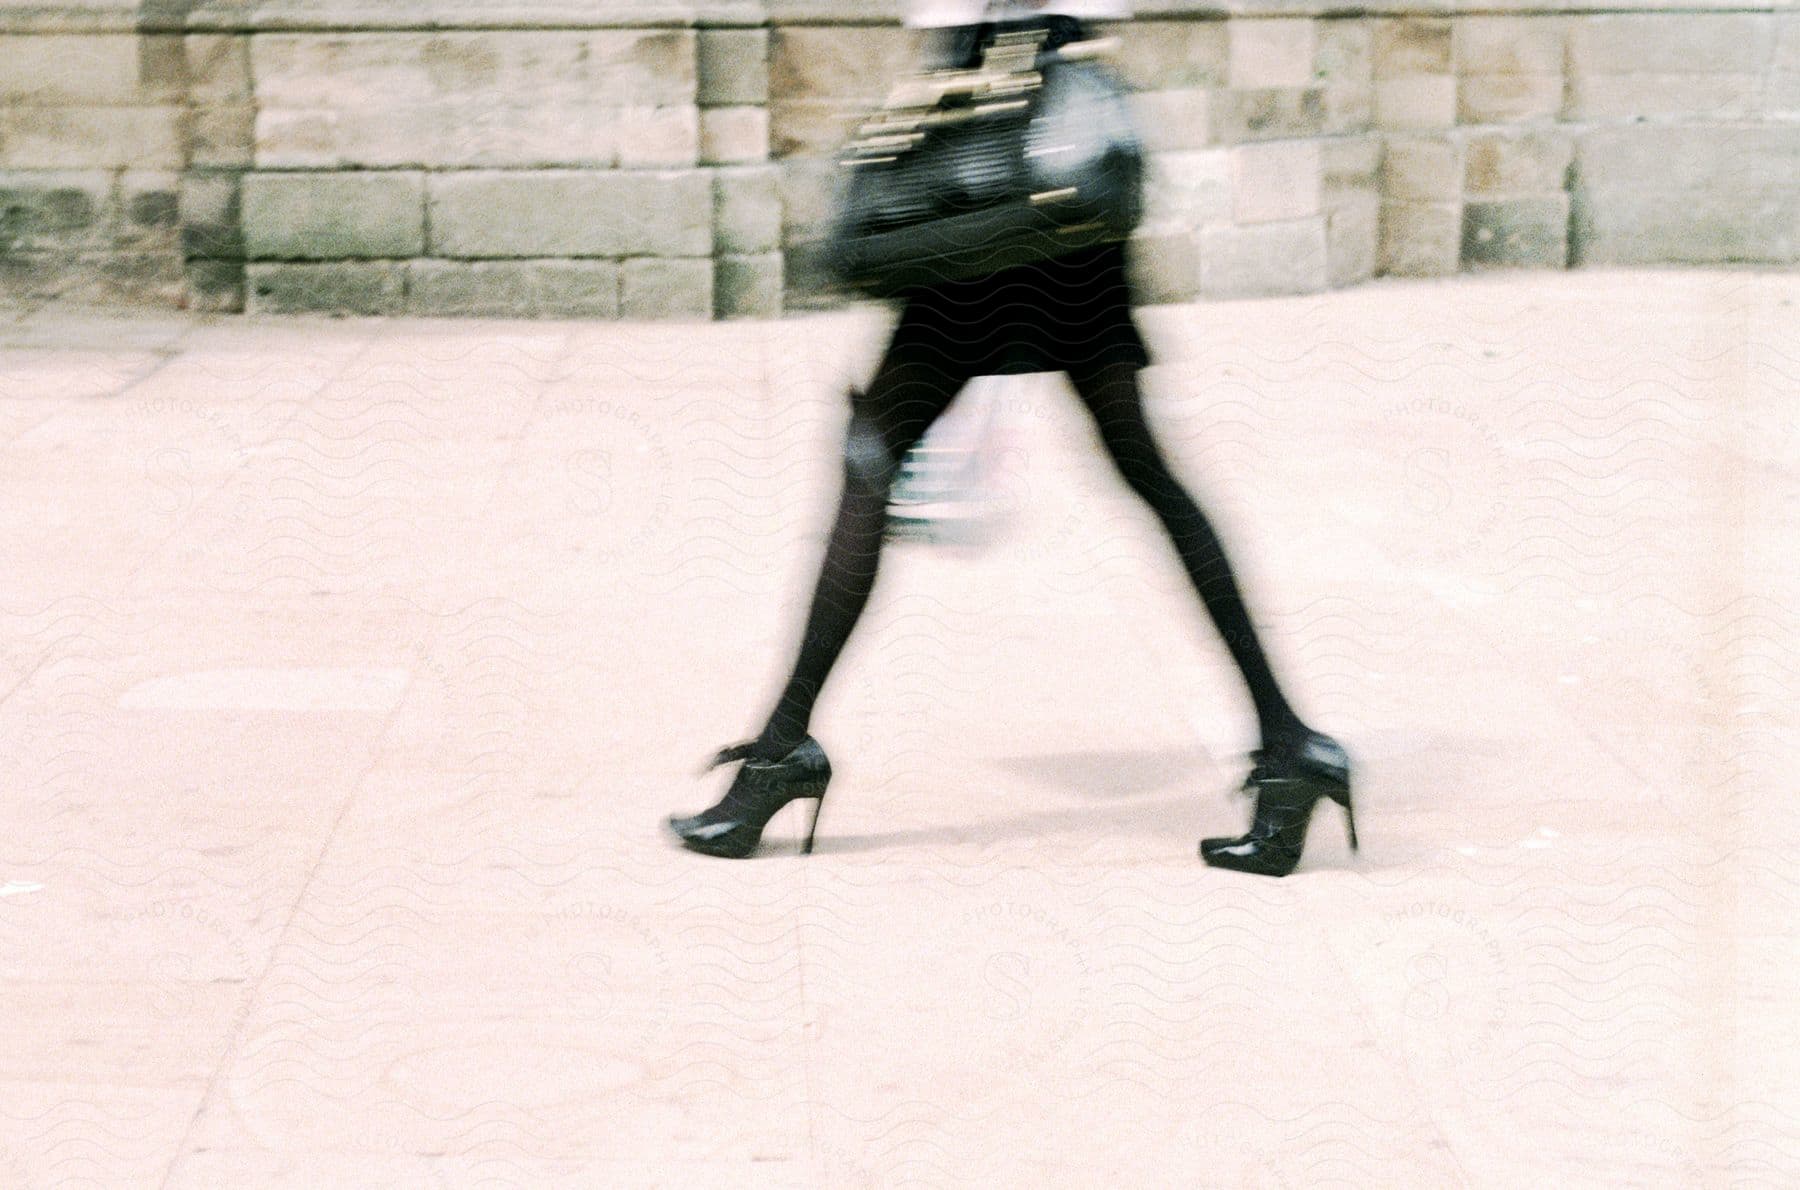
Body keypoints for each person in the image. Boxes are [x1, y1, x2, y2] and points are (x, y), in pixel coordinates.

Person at [667, 0, 1357, 876]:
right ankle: (1291, 748)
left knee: (873, 452)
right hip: (1050, 172)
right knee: (1142, 469)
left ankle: (780, 755)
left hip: (999, 178)